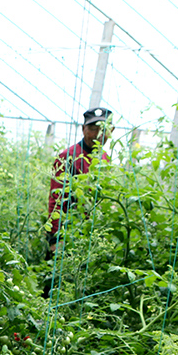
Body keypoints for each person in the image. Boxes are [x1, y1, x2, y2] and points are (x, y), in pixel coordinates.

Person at [46, 107, 112, 257]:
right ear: (83, 129)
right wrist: (56, 237)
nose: (98, 135)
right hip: (70, 231)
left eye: (102, 130)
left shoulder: (105, 159)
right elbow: (56, 199)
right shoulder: (68, 156)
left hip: (92, 234)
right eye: (93, 129)